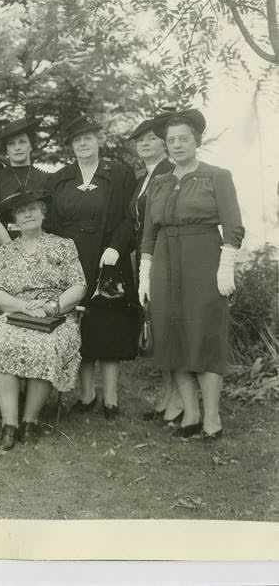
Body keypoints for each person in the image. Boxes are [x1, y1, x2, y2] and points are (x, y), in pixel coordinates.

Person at [139, 109, 244, 440]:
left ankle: (212, 418)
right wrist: (145, 272)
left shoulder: (217, 176)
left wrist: (226, 264)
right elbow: (148, 232)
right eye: (171, 140)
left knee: (205, 335)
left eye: (184, 138)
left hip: (203, 260)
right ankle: (191, 413)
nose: (177, 144)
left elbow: (233, 225)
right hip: (165, 262)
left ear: (196, 141)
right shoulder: (160, 182)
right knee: (173, 337)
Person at [45, 116, 138, 419]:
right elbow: (52, 224)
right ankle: (87, 395)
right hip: (71, 261)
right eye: (77, 140)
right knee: (80, 326)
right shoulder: (59, 178)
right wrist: (59, 256)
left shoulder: (121, 175)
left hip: (109, 259)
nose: (83, 144)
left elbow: (130, 217)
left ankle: (110, 399)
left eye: (88, 138)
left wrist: (116, 248)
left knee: (109, 326)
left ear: (98, 140)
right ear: (71, 146)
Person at [0, 190, 86, 449]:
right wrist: (24, 306)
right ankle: (9, 424)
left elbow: (79, 286)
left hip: (55, 316)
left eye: (32, 209)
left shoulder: (64, 245)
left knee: (45, 346)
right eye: (21, 211)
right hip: (15, 313)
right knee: (3, 342)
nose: (27, 214)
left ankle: (30, 421)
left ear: (43, 213)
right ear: (14, 219)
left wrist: (52, 307)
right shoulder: (1, 253)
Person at [127, 115, 181, 424]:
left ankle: (178, 397)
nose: (145, 144)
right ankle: (166, 391)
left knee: (169, 324)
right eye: (139, 140)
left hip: (168, 253)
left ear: (164, 141)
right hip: (145, 254)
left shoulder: (172, 171)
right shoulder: (142, 178)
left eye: (150, 138)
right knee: (156, 323)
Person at [0, 117, 50, 246]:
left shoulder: (46, 179)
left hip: (41, 248)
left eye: (22, 142)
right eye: (11, 144)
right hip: (5, 247)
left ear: (31, 145)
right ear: (6, 149)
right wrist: (13, 252)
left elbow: (50, 220)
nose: (17, 147)